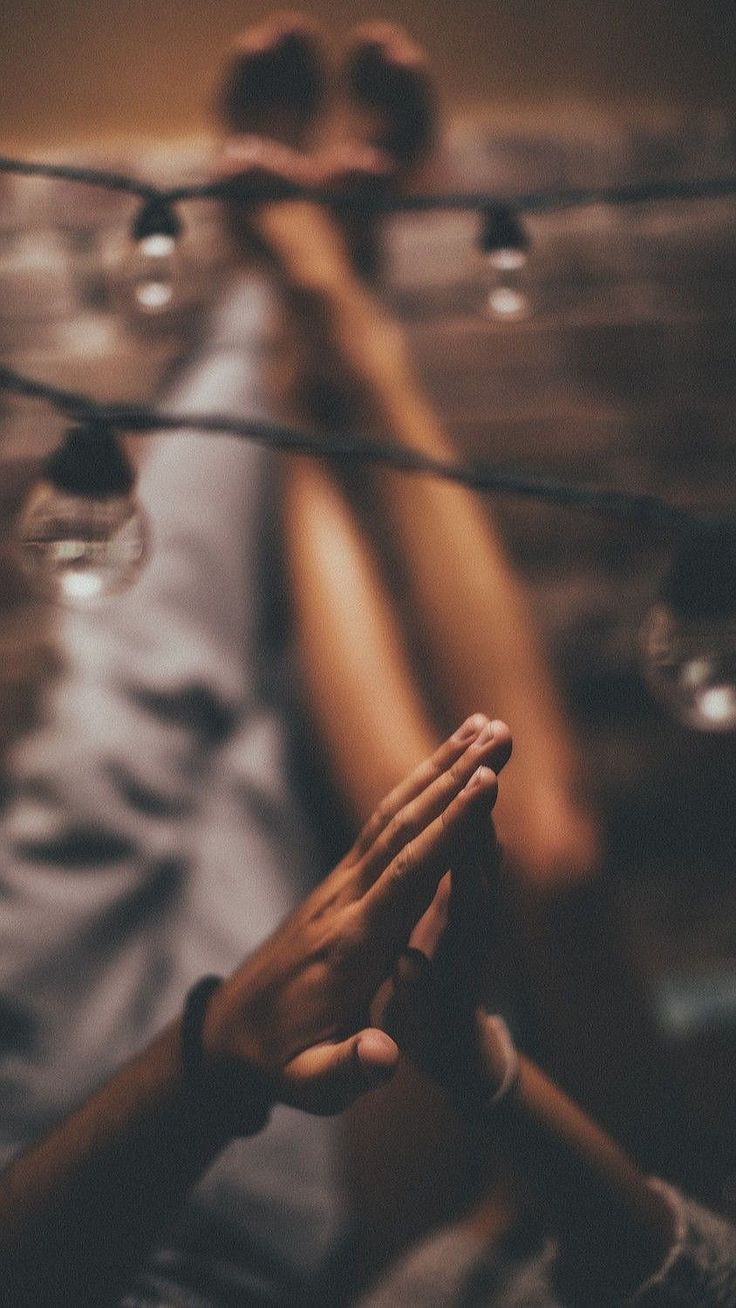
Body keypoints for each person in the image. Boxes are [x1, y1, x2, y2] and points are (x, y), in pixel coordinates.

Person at [2, 722, 735, 1308]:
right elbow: (693, 1284)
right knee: (239, 756)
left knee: (136, 748)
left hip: (84, 1164)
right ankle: (316, 530)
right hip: (256, 1246)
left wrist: (214, 1059)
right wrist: (479, 1067)